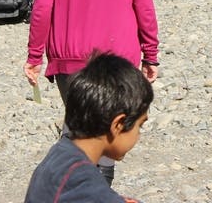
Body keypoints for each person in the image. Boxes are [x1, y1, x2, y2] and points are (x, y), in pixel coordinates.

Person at [25, 0, 159, 188]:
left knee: (76, 134)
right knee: (107, 140)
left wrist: (34, 56)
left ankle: (68, 191)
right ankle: (97, 191)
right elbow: (145, 10)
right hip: (118, 63)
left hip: (69, 61)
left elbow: (42, 8)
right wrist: (151, 55)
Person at [23, 52, 154, 203]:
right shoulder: (82, 181)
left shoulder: (61, 152)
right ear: (118, 125)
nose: (138, 135)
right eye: (139, 125)